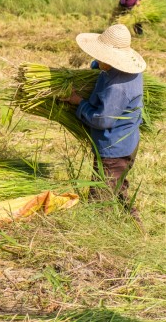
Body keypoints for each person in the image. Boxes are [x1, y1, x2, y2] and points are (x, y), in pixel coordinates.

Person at [62, 24, 146, 223]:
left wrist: (79, 103)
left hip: (114, 150)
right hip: (123, 147)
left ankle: (102, 234)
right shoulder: (117, 70)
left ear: (113, 59)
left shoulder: (118, 88)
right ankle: (133, 224)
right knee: (117, 188)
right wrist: (96, 66)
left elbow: (102, 120)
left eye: (101, 57)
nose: (97, 60)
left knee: (99, 200)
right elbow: (101, 68)